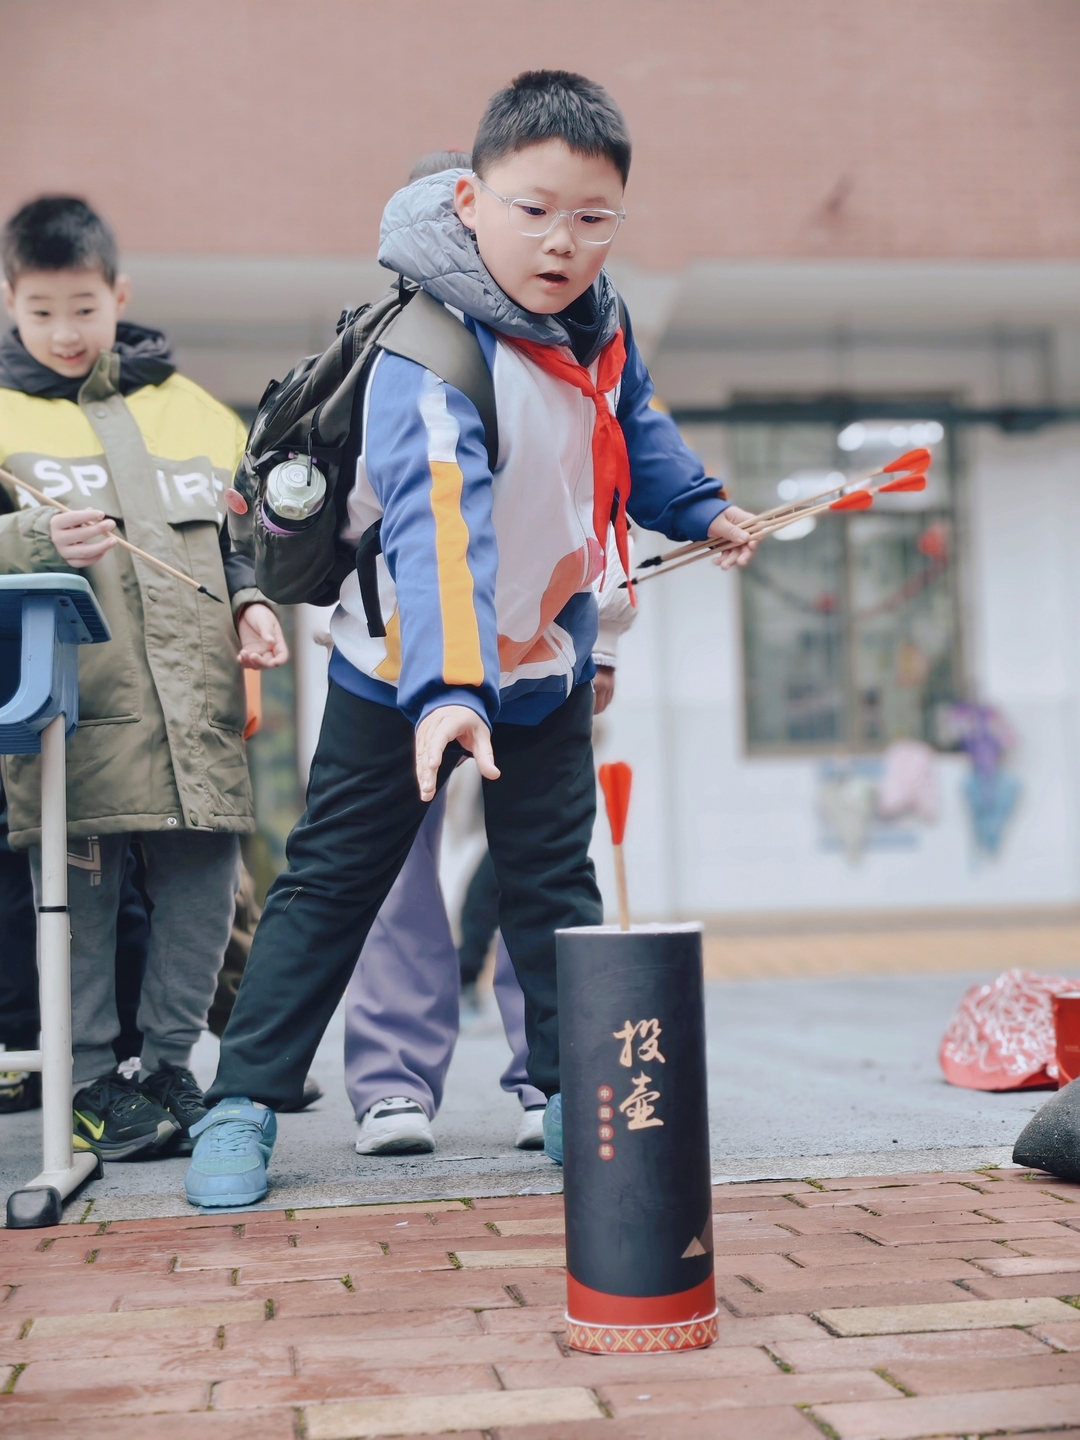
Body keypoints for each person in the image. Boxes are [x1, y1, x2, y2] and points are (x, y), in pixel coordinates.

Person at [185, 69, 755, 1208]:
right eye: (533, 210)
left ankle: (572, 1092)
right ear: (469, 201)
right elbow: (440, 533)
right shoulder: (429, 351)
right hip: (402, 670)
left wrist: (700, 508)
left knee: (551, 883)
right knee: (332, 883)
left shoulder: (600, 323)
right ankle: (242, 1099)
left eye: (593, 217)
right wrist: (450, 692)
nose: (563, 242)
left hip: (542, 661)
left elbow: (632, 429)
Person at [0, 196, 288, 1159]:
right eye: (42, 311)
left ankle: (170, 1070)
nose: (65, 331)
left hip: (196, 710)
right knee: (76, 911)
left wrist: (253, 603)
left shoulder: (195, 409)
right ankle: (89, 1082)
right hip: (72, 717)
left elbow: (240, 541)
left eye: (83, 308)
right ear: (10, 300)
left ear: (118, 294)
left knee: (204, 900)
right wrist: (36, 536)